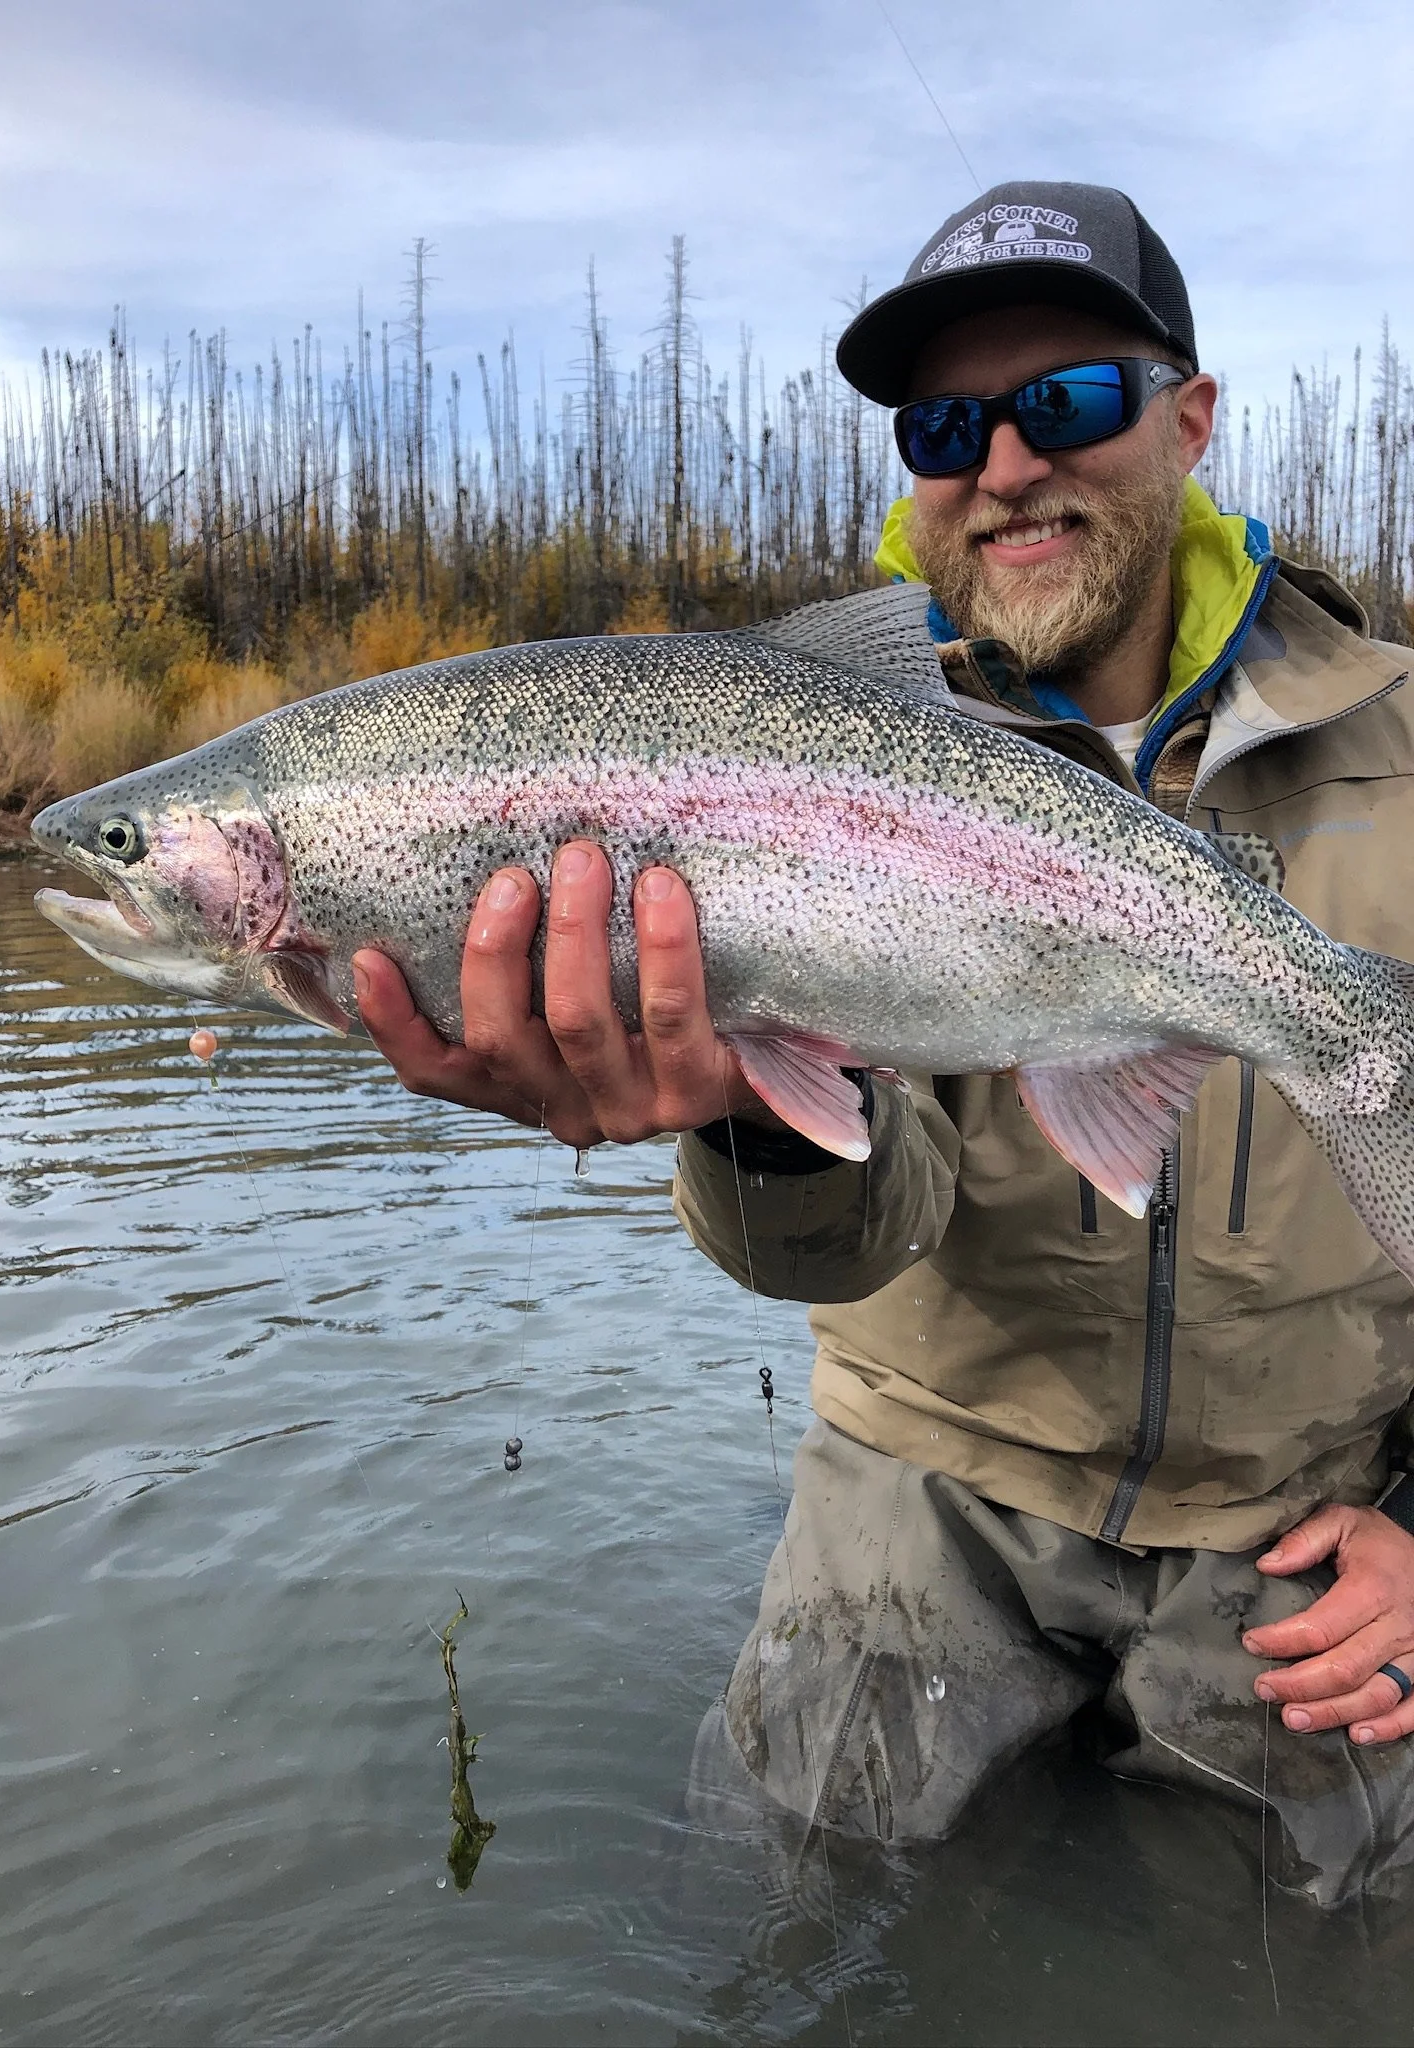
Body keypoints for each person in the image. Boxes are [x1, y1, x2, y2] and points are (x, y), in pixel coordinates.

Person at [350, 181, 1414, 1907]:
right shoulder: (804, 759)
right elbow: (853, 1229)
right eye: (944, 425)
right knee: (786, 1909)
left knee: (1328, 1946)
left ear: (1191, 418)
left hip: (1313, 1526)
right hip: (924, 1479)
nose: (1002, 468)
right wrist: (753, 1121)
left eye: (1064, 402)